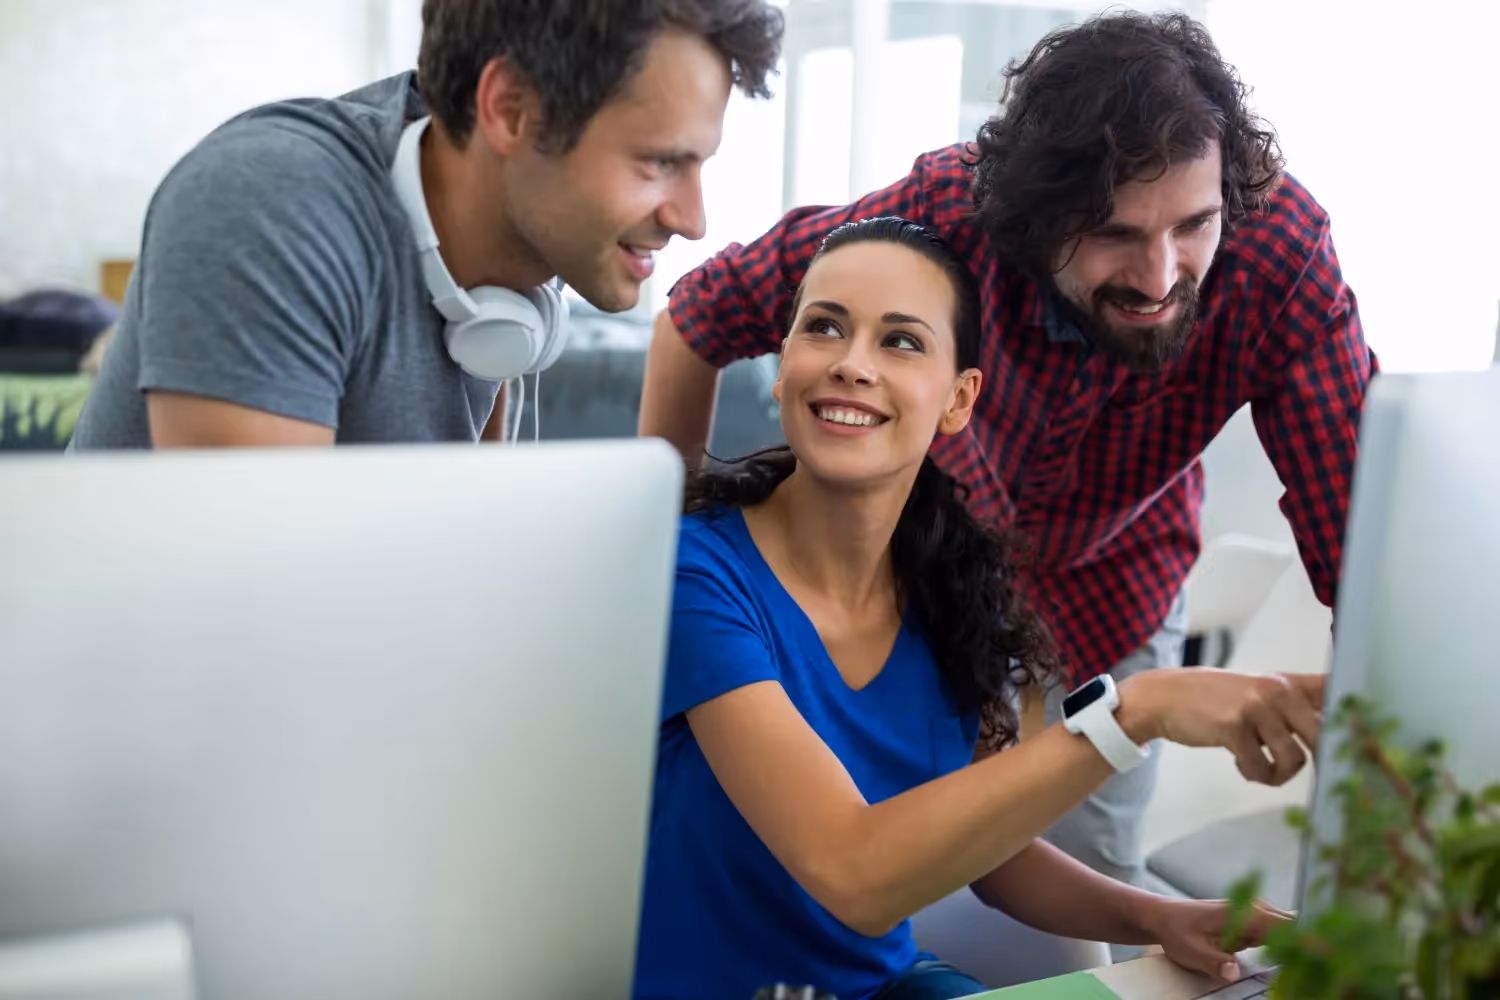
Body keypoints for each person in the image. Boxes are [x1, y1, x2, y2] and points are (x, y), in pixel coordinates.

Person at [637, 10, 1375, 907]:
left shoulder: (1278, 257)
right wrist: (666, 576)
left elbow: (1368, 544)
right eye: (1113, 233)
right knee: (817, 851)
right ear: (1033, 215)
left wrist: (1401, 787)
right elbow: (699, 314)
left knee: (1084, 883)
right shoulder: (936, 222)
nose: (1158, 274)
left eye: (1193, 225)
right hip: (927, 589)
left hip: (1114, 592)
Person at [634, 217, 1320, 1000]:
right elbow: (850, 871)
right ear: (785, 363)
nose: (853, 364)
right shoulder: (697, 573)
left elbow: (988, 855)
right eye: (825, 327)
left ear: (959, 401)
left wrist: (1156, 917)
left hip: (890, 987)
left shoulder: (947, 595)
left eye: (900, 341)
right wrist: (1133, 713)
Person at [70, 0, 784, 450]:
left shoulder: (517, 265)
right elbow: (261, 620)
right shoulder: (268, 205)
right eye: (659, 163)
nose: (692, 221)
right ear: (510, 110)